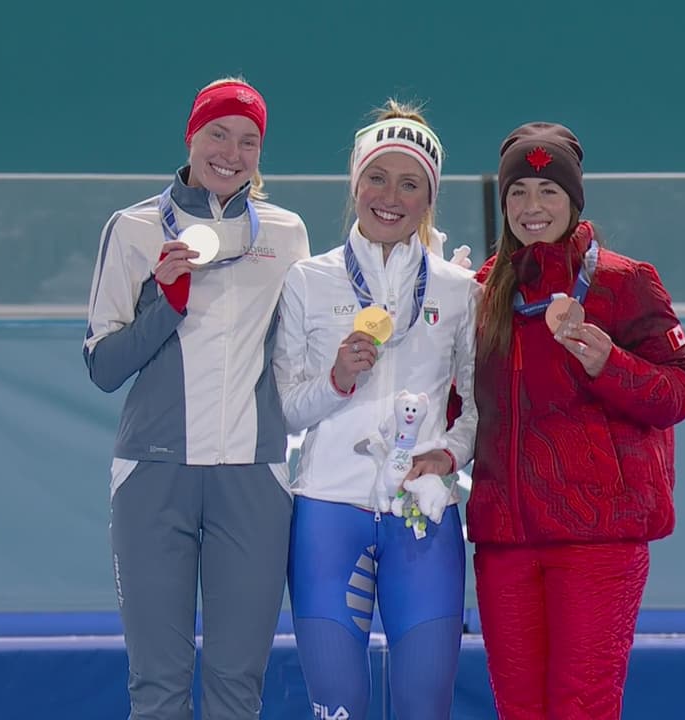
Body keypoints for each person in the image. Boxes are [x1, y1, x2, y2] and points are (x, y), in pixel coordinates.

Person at [83, 76, 311, 720]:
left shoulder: (288, 236)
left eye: (248, 141)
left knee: (238, 687)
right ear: (191, 135)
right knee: (157, 688)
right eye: (218, 133)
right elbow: (102, 366)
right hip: (153, 475)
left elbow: (298, 357)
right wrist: (167, 303)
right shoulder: (131, 230)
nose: (231, 152)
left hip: (253, 478)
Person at [466, 122, 685, 719]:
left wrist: (609, 364)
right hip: (506, 540)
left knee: (582, 709)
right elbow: (461, 407)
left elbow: (678, 391)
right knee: (518, 710)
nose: (532, 206)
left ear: (574, 200)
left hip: (598, 539)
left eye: (549, 191)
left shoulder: (625, 281)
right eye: (518, 191)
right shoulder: (482, 291)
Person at [272, 100, 478, 720]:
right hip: (328, 512)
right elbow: (283, 411)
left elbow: (479, 411)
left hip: (423, 515)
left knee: (423, 708)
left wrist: (448, 455)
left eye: (410, 183)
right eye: (377, 178)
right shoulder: (307, 279)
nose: (391, 196)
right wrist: (336, 380)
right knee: (338, 707)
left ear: (428, 199)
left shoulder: (457, 289)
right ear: (355, 185)